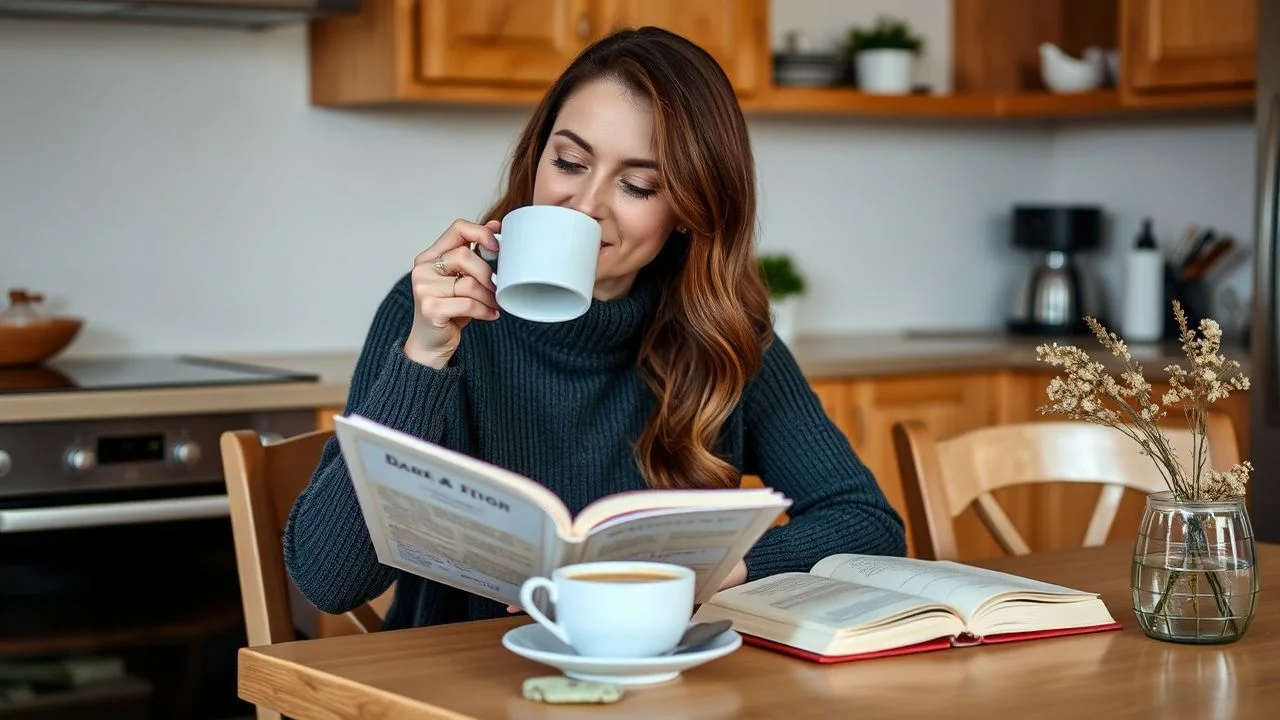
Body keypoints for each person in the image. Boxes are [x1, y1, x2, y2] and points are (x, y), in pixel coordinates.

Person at [283, 26, 906, 631]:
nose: (585, 206)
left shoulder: (721, 333)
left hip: (663, 673)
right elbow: (330, 582)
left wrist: (708, 572)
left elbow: (868, 523)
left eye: (637, 185)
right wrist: (423, 358)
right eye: (570, 162)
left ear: (689, 211)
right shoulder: (433, 311)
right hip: (456, 673)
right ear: (537, 159)